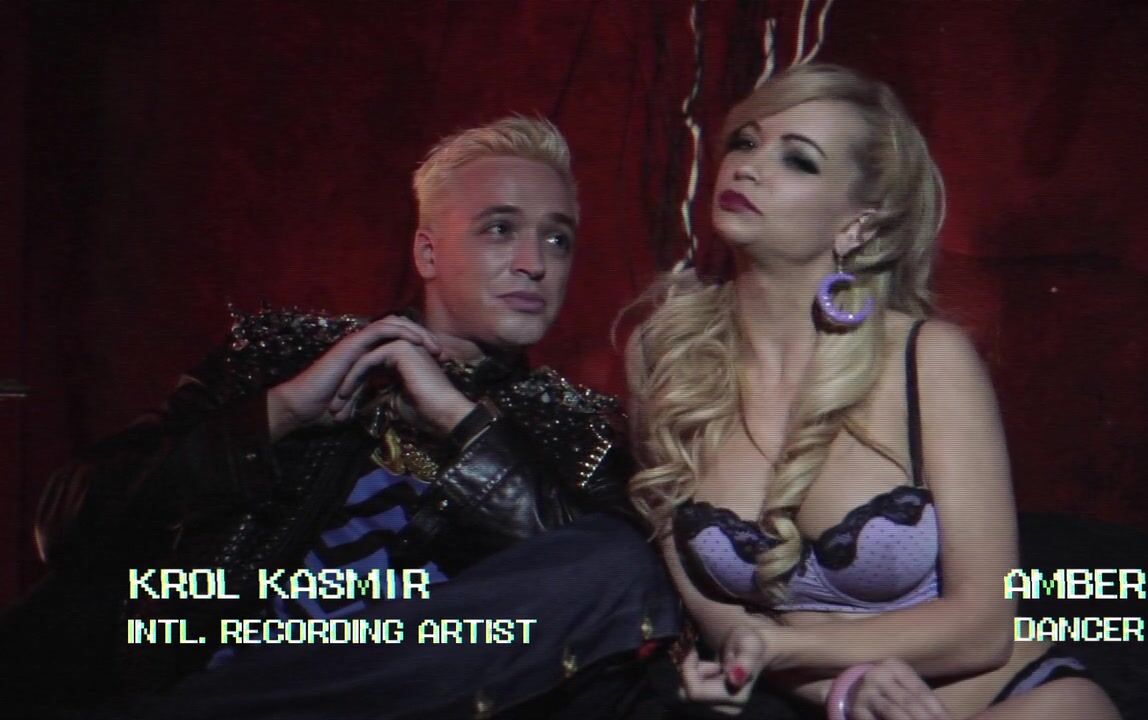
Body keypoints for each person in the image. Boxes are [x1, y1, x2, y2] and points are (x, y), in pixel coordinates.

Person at [5, 116, 681, 720]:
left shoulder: (581, 437)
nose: (534, 264)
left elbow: (598, 602)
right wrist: (277, 413)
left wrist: (464, 424)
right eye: (500, 229)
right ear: (427, 253)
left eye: (558, 240)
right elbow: (69, 524)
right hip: (212, 678)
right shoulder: (283, 359)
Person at [624, 64, 1121, 719]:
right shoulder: (664, 355)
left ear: (857, 225)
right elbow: (716, 613)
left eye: (798, 160)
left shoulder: (926, 359)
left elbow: (984, 625)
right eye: (745, 142)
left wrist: (787, 649)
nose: (748, 167)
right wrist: (842, 691)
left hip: (1000, 702)